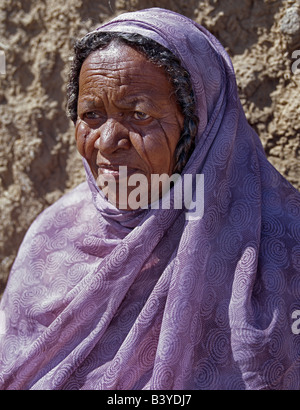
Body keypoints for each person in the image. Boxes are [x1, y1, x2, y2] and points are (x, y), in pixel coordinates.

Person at [0, 8, 299, 390]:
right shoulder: (53, 238)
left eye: (138, 114)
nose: (107, 142)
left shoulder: (280, 251)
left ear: (200, 123)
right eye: (91, 114)